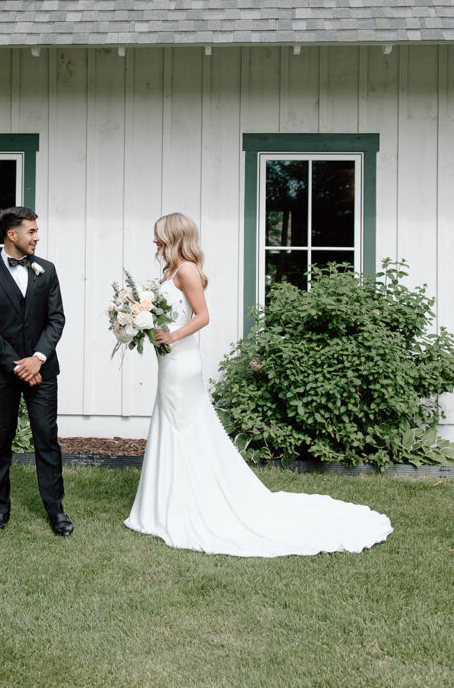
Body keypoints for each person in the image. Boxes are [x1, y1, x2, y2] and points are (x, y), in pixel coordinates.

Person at [124, 212, 392, 557]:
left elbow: (203, 316)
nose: (155, 241)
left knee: (183, 428)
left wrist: (171, 335)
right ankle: (167, 502)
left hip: (180, 360)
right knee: (174, 425)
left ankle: (185, 506)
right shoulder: (170, 271)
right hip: (169, 360)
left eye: (159, 235)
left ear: (173, 236)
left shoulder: (187, 270)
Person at [0, 206, 72, 536]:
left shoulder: (48, 270)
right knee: (1, 438)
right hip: (4, 372)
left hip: (43, 369)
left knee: (47, 438)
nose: (37, 237)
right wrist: (19, 365)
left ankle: (56, 511)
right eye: (31, 231)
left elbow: (56, 319)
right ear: (12, 235)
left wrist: (38, 358)